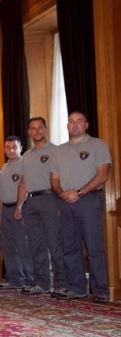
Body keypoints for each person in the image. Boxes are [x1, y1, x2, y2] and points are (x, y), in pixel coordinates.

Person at [51, 111, 112, 303]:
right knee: (69, 247)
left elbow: (103, 175)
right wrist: (61, 193)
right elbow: (54, 178)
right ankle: (77, 288)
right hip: (65, 202)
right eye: (70, 121)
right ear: (67, 126)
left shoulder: (98, 145)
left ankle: (101, 289)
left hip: (88, 201)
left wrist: (79, 193)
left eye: (79, 121)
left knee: (94, 247)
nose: (74, 125)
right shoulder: (59, 150)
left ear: (86, 125)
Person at [15, 117, 66, 297]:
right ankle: (42, 283)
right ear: (29, 132)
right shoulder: (26, 156)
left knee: (54, 243)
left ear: (45, 129)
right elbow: (23, 182)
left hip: (50, 199)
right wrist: (19, 206)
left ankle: (61, 284)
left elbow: (62, 178)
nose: (36, 131)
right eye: (33, 129)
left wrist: (60, 201)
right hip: (30, 203)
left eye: (39, 128)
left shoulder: (56, 150)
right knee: (36, 246)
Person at [0, 136, 34, 290]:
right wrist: (0, 213)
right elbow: (1, 192)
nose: (11, 150)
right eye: (8, 147)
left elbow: (27, 187)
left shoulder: (25, 164)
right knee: (8, 246)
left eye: (14, 147)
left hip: (21, 208)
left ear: (21, 148)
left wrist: (20, 207)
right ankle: (15, 279)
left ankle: (32, 280)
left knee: (24, 246)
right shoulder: (3, 168)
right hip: (5, 210)